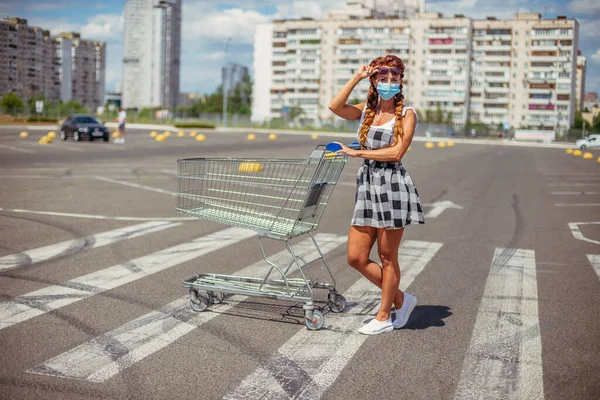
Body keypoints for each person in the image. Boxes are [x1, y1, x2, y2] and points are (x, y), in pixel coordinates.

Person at [328, 55, 425, 335]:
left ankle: (384, 317)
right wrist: (357, 76)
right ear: (375, 81)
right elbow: (334, 106)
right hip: (368, 186)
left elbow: (396, 153)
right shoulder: (365, 110)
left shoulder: (407, 114)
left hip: (392, 187)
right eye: (383, 79)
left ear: (400, 82)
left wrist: (358, 152)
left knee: (386, 257)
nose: (389, 84)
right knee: (356, 257)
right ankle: (401, 300)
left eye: (394, 79)